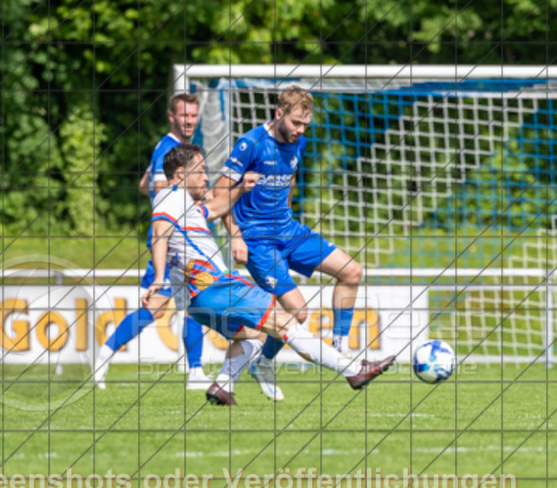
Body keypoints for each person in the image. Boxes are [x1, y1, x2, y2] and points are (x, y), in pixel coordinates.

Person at [145, 143, 394, 405]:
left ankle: (223, 386)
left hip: (196, 301)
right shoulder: (173, 196)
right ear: (182, 173)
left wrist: (240, 189)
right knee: (286, 322)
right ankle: (354, 371)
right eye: (201, 170)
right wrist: (159, 277)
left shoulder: (185, 205)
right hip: (214, 286)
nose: (206, 177)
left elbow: (217, 208)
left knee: (254, 335)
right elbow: (159, 231)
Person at [211, 86, 363, 402]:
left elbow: (290, 176)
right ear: (279, 114)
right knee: (299, 312)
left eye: (305, 124)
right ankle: (263, 364)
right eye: (295, 123)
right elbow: (219, 192)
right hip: (257, 241)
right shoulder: (250, 143)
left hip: (290, 231)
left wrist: (289, 208)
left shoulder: (299, 143)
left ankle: (338, 350)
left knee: (351, 271)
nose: (300, 130)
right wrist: (235, 235)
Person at [91, 94, 208, 389]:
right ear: (172, 117)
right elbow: (157, 187)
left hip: (183, 241)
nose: (190, 121)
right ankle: (103, 356)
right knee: (155, 308)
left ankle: (196, 372)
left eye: (193, 116)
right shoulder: (170, 147)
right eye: (184, 116)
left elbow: (143, 185)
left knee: (196, 303)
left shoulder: (171, 149)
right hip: (169, 244)